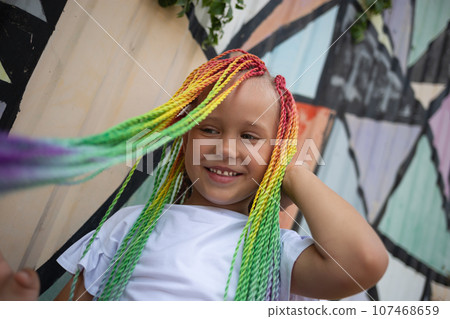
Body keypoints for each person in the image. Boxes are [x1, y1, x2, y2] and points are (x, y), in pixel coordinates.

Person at [0, 50, 388, 301]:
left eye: (250, 136)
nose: (227, 148)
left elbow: (364, 261)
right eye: (209, 128)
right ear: (184, 138)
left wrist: (289, 169)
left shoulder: (274, 254)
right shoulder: (130, 226)